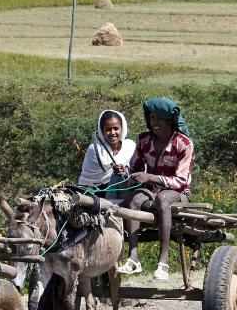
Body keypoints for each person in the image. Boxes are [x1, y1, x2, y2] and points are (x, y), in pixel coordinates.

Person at [117, 98, 194, 282]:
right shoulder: (144, 140)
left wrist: (150, 177)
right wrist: (125, 171)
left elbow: (181, 181)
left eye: (160, 118)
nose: (154, 122)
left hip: (179, 194)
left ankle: (163, 262)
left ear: (170, 120)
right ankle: (133, 257)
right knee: (134, 199)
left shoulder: (184, 144)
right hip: (151, 191)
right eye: (152, 117)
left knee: (163, 198)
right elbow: (135, 168)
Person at [78, 109, 136, 204]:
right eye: (108, 129)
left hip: (126, 192)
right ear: (102, 131)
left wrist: (125, 172)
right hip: (99, 195)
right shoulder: (95, 150)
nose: (113, 133)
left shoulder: (130, 146)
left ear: (122, 128)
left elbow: (138, 171)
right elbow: (87, 183)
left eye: (116, 128)